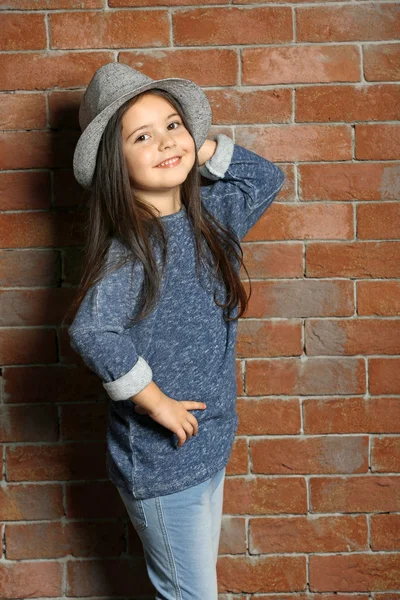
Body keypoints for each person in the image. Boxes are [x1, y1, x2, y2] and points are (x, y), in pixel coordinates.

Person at [66, 62, 285, 599]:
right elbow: (92, 331)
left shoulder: (213, 217)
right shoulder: (130, 249)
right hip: (162, 461)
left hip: (210, 445)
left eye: (173, 125)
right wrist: (155, 401)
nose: (167, 142)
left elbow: (266, 178)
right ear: (113, 163)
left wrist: (202, 146)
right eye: (142, 136)